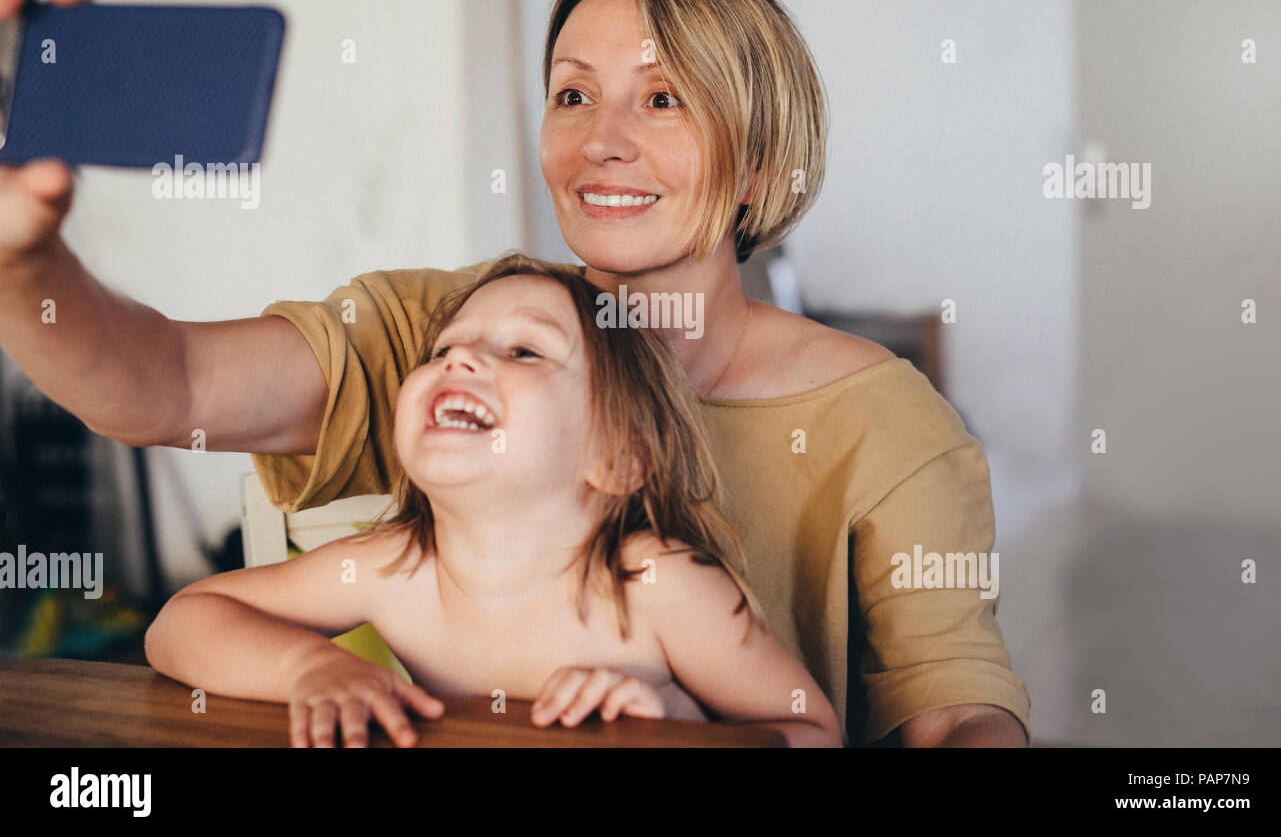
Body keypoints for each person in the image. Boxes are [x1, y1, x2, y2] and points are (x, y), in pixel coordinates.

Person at [0, 0, 1030, 746]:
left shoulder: (889, 420)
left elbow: (950, 712)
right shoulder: (448, 330)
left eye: (661, 97)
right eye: (571, 93)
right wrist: (23, 262)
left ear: (758, 161)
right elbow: (164, 386)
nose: (598, 141)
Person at [145, 255, 842, 747]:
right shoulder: (401, 566)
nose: (459, 360)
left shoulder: (657, 585)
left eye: (525, 352)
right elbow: (182, 622)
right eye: (445, 347)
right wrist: (308, 667)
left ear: (618, 456)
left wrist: (677, 722)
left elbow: (813, 731)